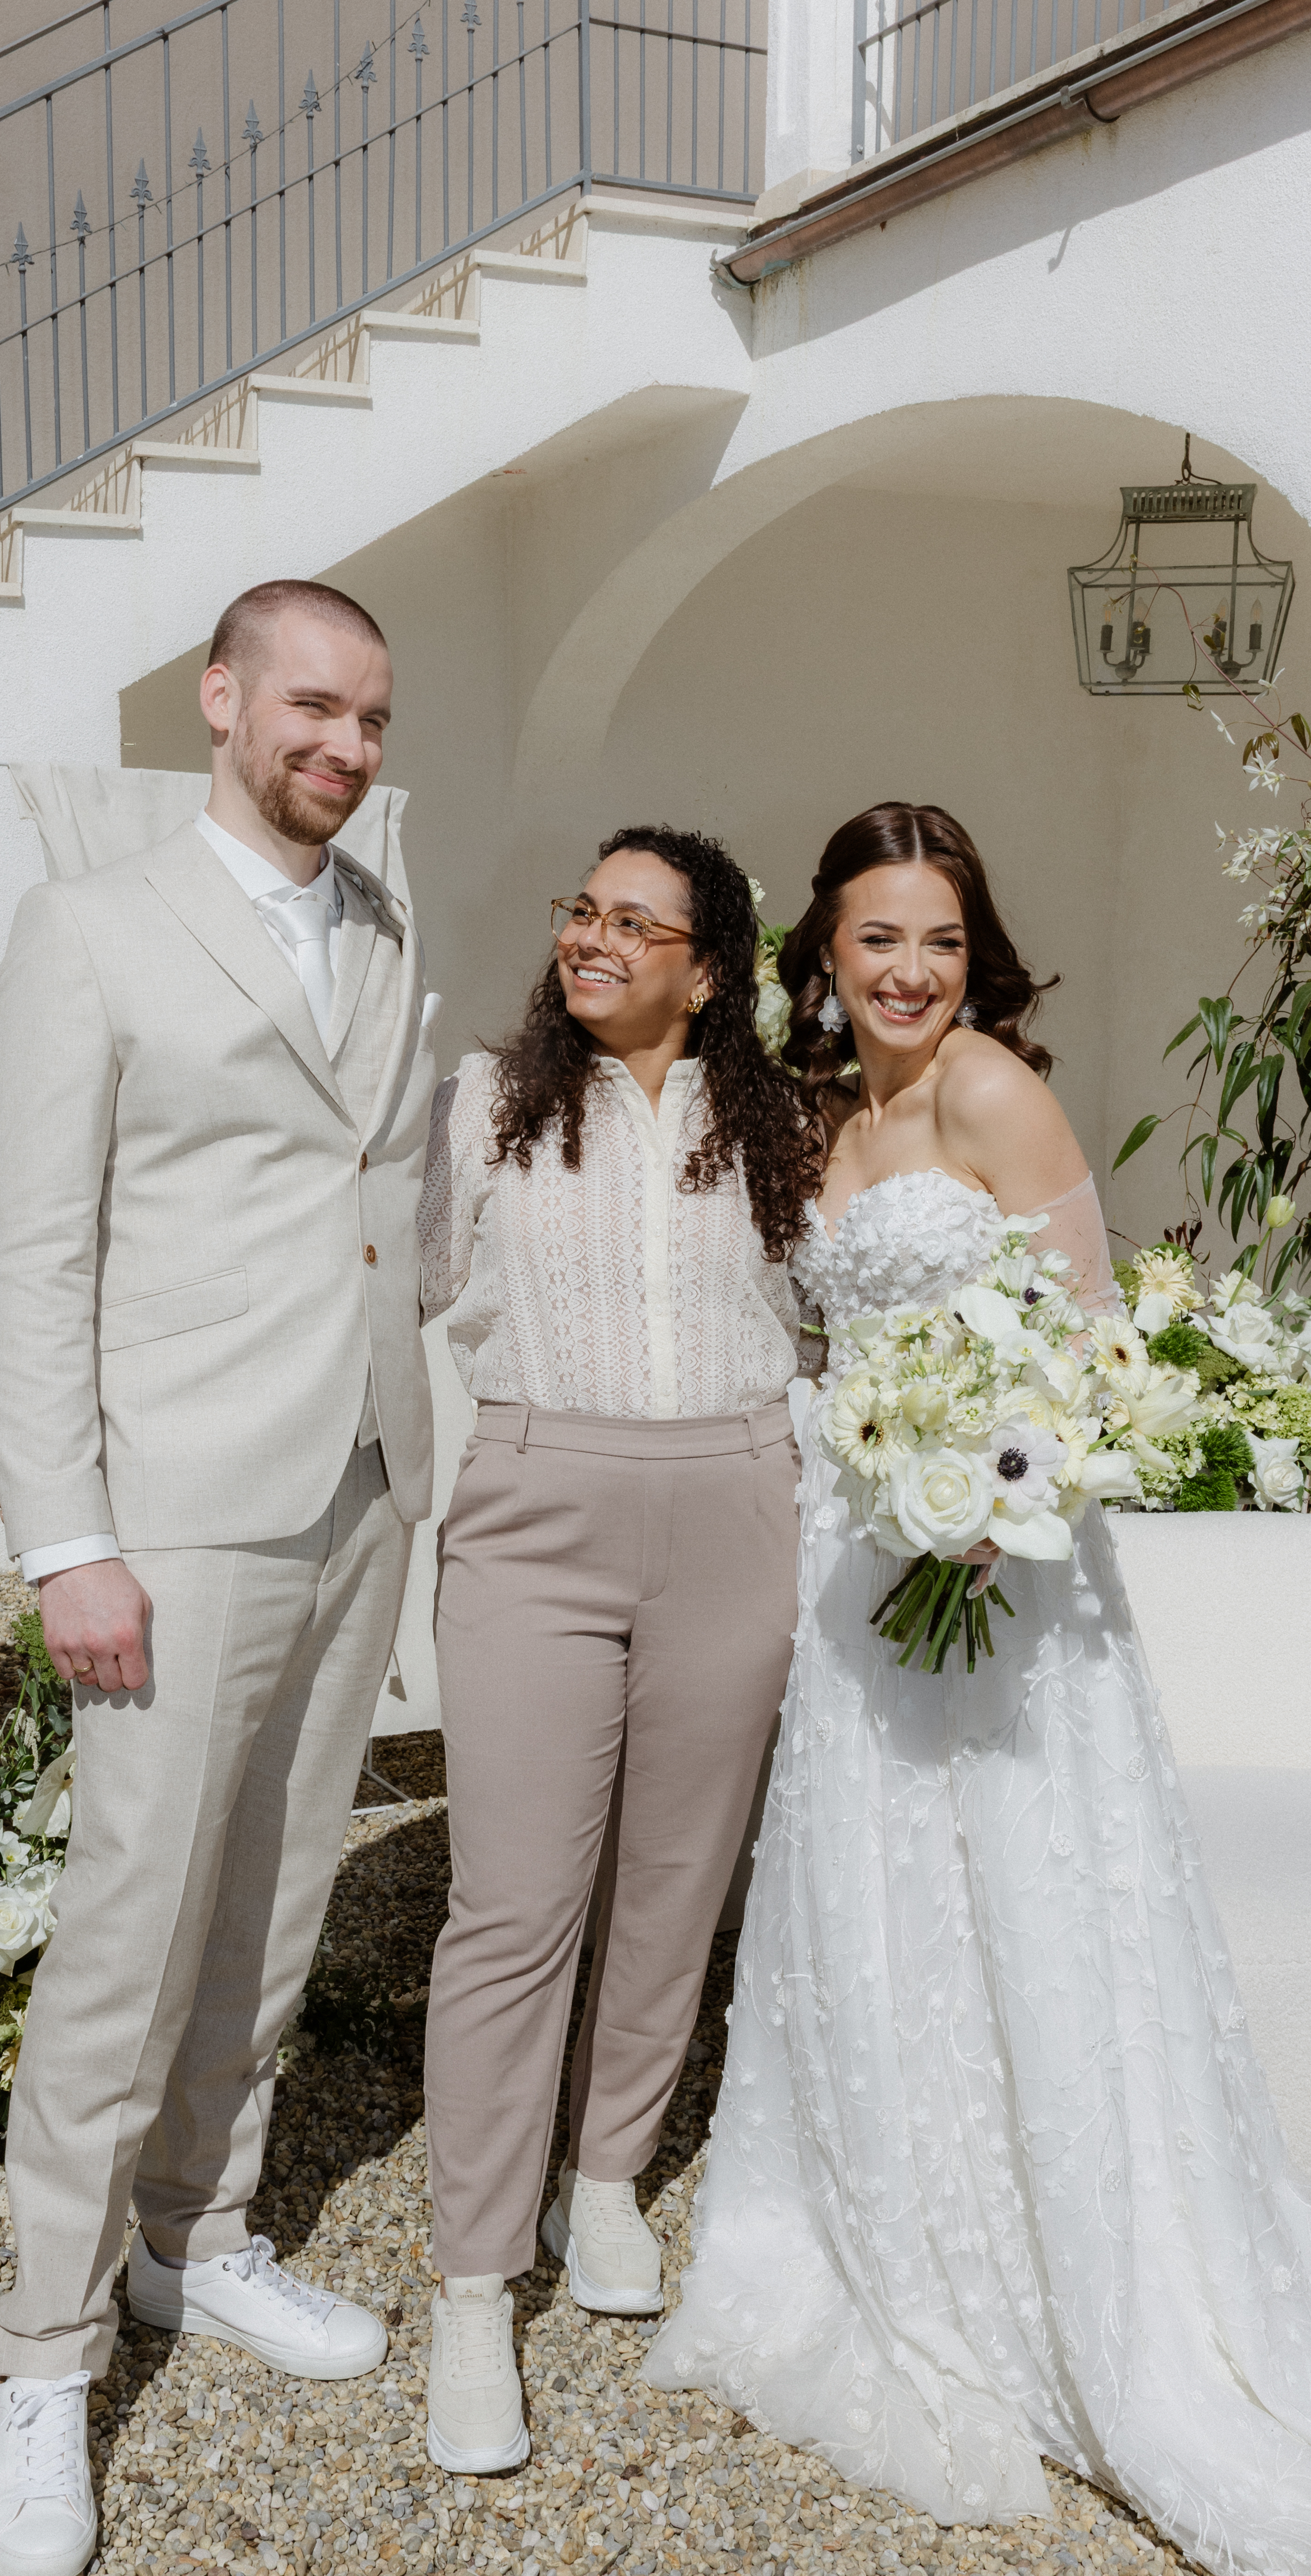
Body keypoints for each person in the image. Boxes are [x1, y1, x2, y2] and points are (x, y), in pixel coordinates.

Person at [648, 801, 1311, 2576]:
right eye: (872, 940)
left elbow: (1085, 1340)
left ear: (967, 948)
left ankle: (1076, 2267)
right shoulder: (820, 1116)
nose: (905, 971)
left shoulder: (993, 1092)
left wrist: (994, 1501)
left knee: (1018, 1885)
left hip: (1001, 1567)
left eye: (933, 938)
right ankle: (897, 2235)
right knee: (872, 1900)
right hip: (858, 1564)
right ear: (819, 958)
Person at [0, 580, 437, 2576]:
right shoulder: (87, 930)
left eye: (373, 718)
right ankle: (37, 2361)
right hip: (173, 1513)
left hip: (356, 1486)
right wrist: (70, 1540)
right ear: (221, 701)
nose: (346, 745)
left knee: (277, 1897)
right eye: (314, 708)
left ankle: (198, 2236)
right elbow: (31, 1257)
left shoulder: (389, 927)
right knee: (124, 1938)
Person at [418, 826, 815, 2474]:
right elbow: (417, 1284)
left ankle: (603, 2187)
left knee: (673, 1881)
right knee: (513, 1904)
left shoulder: (785, 1123)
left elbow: (838, 1317)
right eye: (578, 907)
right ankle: (466, 2295)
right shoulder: (484, 1096)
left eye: (633, 922)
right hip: (536, 1507)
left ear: (708, 968)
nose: (591, 936)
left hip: (735, 1506)